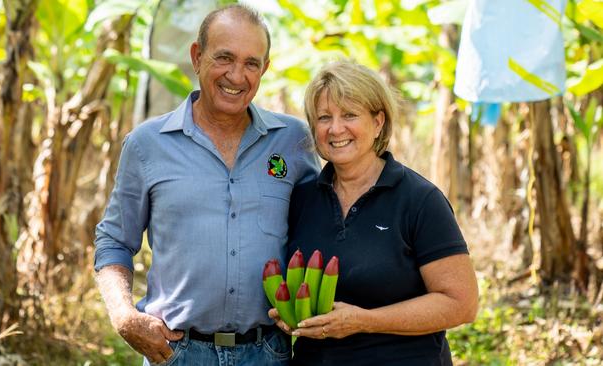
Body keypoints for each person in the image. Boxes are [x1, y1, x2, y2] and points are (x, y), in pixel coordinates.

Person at [94, 5, 320, 366]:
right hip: (177, 351)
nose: (237, 75)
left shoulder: (293, 141)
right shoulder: (147, 144)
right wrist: (123, 315)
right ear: (197, 57)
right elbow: (114, 241)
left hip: (269, 352)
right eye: (224, 57)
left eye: (251, 63)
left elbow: (321, 229)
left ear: (265, 68)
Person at [269, 60, 479, 365]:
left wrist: (364, 320)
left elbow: (462, 303)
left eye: (350, 115)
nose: (336, 128)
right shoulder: (302, 198)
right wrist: (292, 314)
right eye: (324, 117)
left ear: (378, 122)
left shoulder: (419, 199)